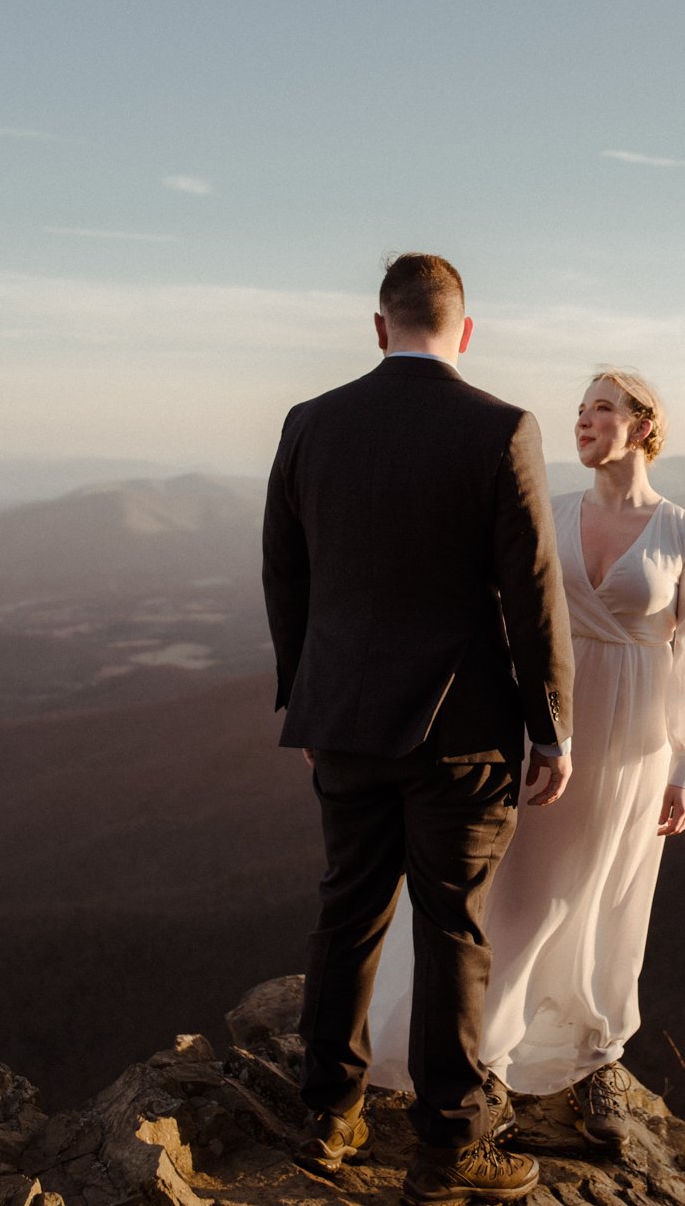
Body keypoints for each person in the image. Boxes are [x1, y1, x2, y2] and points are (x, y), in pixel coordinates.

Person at [261, 252, 576, 1204]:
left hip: (344, 718)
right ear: (464, 330)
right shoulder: (500, 427)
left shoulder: (311, 423)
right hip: (465, 729)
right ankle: (448, 1150)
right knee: (452, 930)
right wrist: (551, 726)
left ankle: (327, 1115)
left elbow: (286, 573)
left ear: (379, 324)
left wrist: (307, 698)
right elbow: (531, 592)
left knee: (347, 910)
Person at [363, 366, 685, 1151]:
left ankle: (585, 1050)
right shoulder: (549, 514)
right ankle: (479, 1056)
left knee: (598, 895)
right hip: (543, 726)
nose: (584, 419)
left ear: (644, 426)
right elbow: (491, 611)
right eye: (581, 408)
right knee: (517, 889)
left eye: (603, 407)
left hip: (632, 742)